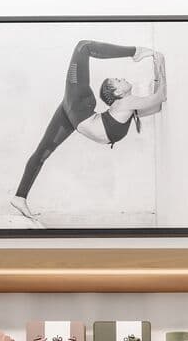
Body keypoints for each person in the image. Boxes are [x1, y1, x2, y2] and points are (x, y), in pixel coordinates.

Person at [10, 39, 167, 222]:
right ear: (117, 93)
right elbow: (161, 96)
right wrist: (160, 63)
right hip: (78, 108)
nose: (122, 78)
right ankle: (135, 51)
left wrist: (158, 68)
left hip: (76, 113)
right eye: (118, 80)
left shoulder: (129, 105)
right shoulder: (127, 103)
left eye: (118, 79)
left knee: (43, 151)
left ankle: (19, 197)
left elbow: (157, 104)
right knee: (83, 47)